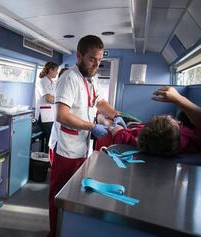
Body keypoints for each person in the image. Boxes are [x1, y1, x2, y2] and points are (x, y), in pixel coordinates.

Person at [47, 35, 126, 237]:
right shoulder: (69, 79)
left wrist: (116, 115)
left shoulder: (91, 79)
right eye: (92, 59)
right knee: (59, 193)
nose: (96, 65)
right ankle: (54, 232)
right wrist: (92, 126)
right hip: (65, 147)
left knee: (73, 191)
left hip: (81, 146)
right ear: (79, 56)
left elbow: (100, 103)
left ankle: (65, 229)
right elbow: (61, 115)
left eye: (100, 60)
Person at [95, 86, 201, 155]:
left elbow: (114, 127)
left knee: (114, 116)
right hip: (135, 125)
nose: (178, 122)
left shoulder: (127, 139)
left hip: (128, 126)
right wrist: (179, 99)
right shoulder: (191, 141)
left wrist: (101, 119)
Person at [35, 62, 59, 151]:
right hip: (45, 116)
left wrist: (56, 99)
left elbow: (53, 97)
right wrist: (59, 100)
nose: (57, 73)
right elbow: (48, 98)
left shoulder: (52, 82)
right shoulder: (42, 81)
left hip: (51, 115)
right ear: (50, 70)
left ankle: (49, 159)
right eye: (56, 71)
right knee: (51, 140)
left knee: (52, 140)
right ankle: (48, 161)